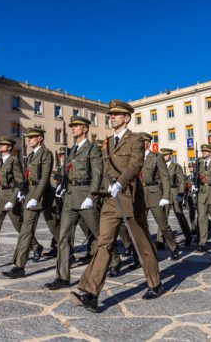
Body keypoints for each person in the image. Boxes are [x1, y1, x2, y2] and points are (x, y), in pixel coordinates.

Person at [71, 100, 164, 313]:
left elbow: (135, 164)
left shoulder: (136, 139)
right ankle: (91, 293)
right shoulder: (106, 143)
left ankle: (155, 283)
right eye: (110, 114)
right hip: (111, 200)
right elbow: (104, 170)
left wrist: (121, 183)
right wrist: (100, 192)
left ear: (127, 118)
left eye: (116, 114)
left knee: (142, 243)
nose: (111, 117)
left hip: (130, 198)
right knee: (104, 243)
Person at [45, 116, 103, 290]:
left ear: (85, 128)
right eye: (72, 126)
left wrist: (91, 196)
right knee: (63, 237)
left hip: (85, 195)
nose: (73, 128)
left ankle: (113, 261)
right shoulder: (70, 151)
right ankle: (62, 277)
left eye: (76, 126)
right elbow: (67, 173)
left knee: (99, 235)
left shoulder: (92, 149)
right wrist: (62, 186)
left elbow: (97, 174)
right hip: (70, 197)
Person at [0, 137, 42, 270]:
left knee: (19, 227)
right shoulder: (1, 161)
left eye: (3, 145)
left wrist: (13, 199)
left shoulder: (14, 160)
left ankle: (36, 246)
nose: (0, 146)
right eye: (0, 144)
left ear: (9, 147)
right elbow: (1, 179)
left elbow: (19, 181)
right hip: (0, 197)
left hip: (10, 197)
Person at [3, 127, 58, 278]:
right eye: (28, 138)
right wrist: (22, 192)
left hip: (44, 196)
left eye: (32, 138)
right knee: (26, 230)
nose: (29, 140)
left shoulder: (46, 153)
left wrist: (36, 197)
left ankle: (67, 252)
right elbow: (28, 177)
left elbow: (45, 177)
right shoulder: (32, 155)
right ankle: (19, 266)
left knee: (56, 229)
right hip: (31, 195)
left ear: (40, 138)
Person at [140, 140, 180, 260]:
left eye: (143, 141)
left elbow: (165, 177)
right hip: (140, 193)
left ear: (148, 143)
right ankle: (144, 252)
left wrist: (165, 196)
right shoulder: (136, 156)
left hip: (154, 193)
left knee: (162, 225)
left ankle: (173, 247)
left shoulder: (156, 157)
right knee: (140, 226)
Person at [160, 148, 193, 249]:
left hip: (175, 193)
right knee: (162, 218)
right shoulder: (160, 167)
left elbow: (181, 181)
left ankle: (188, 236)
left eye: (166, 155)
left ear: (170, 155)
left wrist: (180, 194)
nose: (164, 156)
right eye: (163, 155)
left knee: (179, 215)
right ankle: (160, 241)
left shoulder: (175, 166)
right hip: (164, 194)